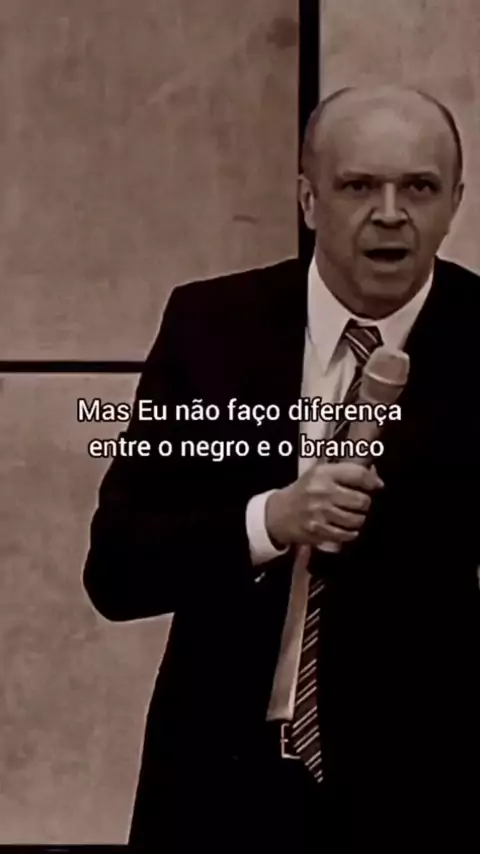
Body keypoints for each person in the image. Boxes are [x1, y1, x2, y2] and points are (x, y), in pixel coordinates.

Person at [82, 85, 480, 851]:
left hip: (427, 794)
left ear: (455, 202)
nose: (390, 214)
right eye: (358, 186)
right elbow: (118, 569)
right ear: (308, 199)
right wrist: (270, 520)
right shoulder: (210, 329)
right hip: (218, 787)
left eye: (419, 188)